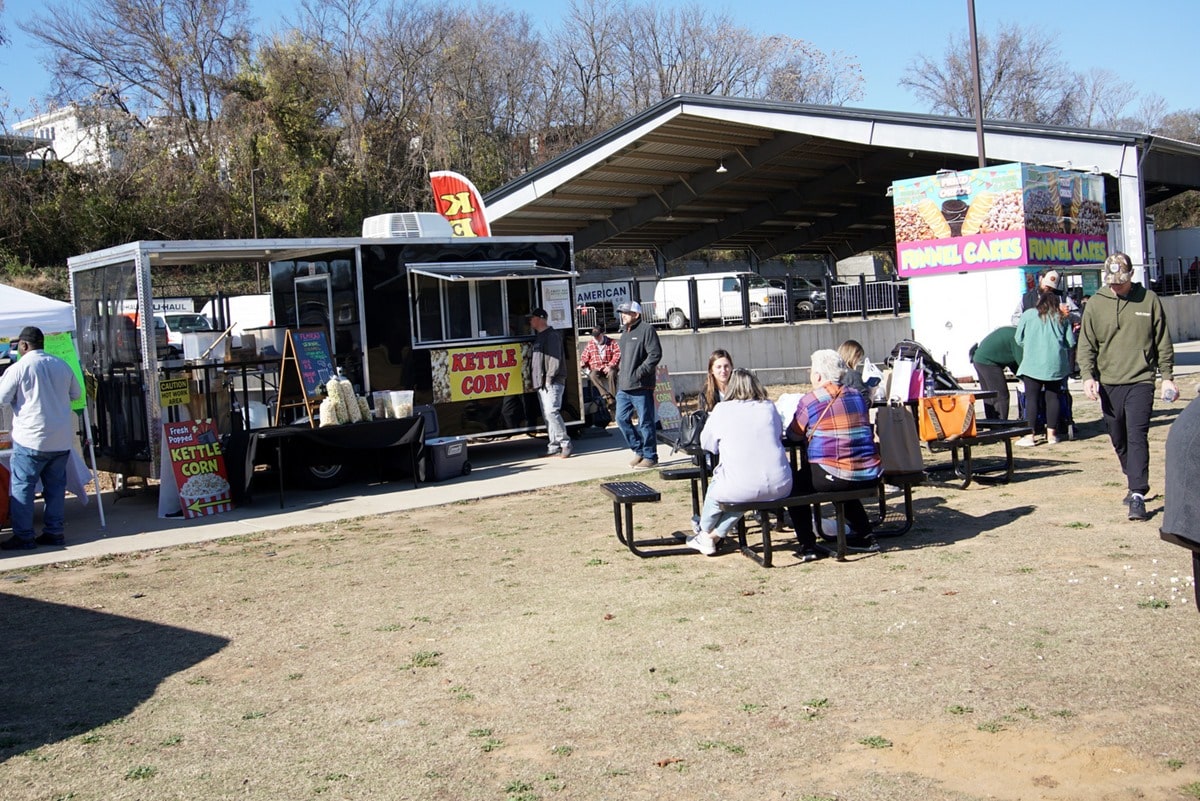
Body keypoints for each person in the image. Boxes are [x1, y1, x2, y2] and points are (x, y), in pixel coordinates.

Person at [1077, 252, 1177, 522]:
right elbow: (1086, 344)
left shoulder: (1149, 300)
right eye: (1111, 282)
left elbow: (1162, 341)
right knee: (1118, 437)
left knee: (1136, 435)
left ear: (1131, 275)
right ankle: (1132, 474)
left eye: (1120, 281)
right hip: (1109, 382)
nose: (1116, 286)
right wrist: (1087, 376)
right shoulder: (1096, 304)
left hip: (1141, 380)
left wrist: (1166, 375)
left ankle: (1137, 493)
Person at [786, 349, 882, 560]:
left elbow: (793, 434)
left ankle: (808, 544)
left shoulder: (811, 400)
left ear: (818, 375)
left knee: (794, 487)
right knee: (843, 475)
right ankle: (866, 534)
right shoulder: (857, 395)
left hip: (835, 474)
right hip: (868, 472)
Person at [686, 369, 791, 556]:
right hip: (781, 483)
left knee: (720, 493)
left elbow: (707, 444)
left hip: (741, 485)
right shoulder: (768, 406)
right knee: (746, 497)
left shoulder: (722, 410)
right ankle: (712, 536)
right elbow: (778, 433)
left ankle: (704, 530)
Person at [0, 326, 83, 550]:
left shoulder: (19, 368)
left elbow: (2, 398)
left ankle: (24, 536)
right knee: (55, 490)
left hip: (30, 439)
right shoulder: (61, 365)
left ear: (24, 346)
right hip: (60, 439)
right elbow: (76, 394)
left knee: (23, 489)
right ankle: (54, 532)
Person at [1014, 290, 1074, 446]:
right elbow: (1070, 342)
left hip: (1032, 364)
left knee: (1032, 399)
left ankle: (1030, 436)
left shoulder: (1028, 315)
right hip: (1055, 364)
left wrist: (1030, 344)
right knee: (1053, 398)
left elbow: (1018, 338)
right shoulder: (1062, 318)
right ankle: (1052, 435)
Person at [615, 301, 662, 469]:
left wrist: (640, 372)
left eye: (626, 312)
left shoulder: (647, 329)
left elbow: (655, 354)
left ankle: (650, 456)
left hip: (641, 386)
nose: (623, 315)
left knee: (645, 422)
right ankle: (639, 450)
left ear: (636, 314)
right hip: (624, 386)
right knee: (620, 419)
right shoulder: (625, 332)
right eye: (622, 312)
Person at [528, 308, 571, 458]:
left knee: (552, 411)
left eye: (532, 318)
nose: (530, 320)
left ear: (540, 319)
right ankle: (553, 446)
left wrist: (549, 378)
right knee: (547, 415)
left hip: (552, 382)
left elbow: (554, 360)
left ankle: (565, 443)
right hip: (541, 382)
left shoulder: (552, 335)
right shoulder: (539, 336)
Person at [970, 326, 1022, 420]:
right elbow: (1021, 364)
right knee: (1001, 395)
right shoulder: (1018, 339)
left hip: (978, 358)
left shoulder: (1013, 332)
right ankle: (1001, 426)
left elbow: (1013, 363)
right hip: (988, 362)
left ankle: (992, 425)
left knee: (989, 395)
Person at [579, 325, 620, 408]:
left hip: (609, 367)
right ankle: (607, 396)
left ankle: (613, 397)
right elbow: (584, 356)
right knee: (592, 375)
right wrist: (583, 362)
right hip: (596, 367)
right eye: (594, 336)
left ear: (602, 334)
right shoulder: (591, 343)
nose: (596, 338)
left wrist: (610, 365)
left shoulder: (612, 342)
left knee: (612, 374)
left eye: (598, 336)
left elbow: (617, 354)